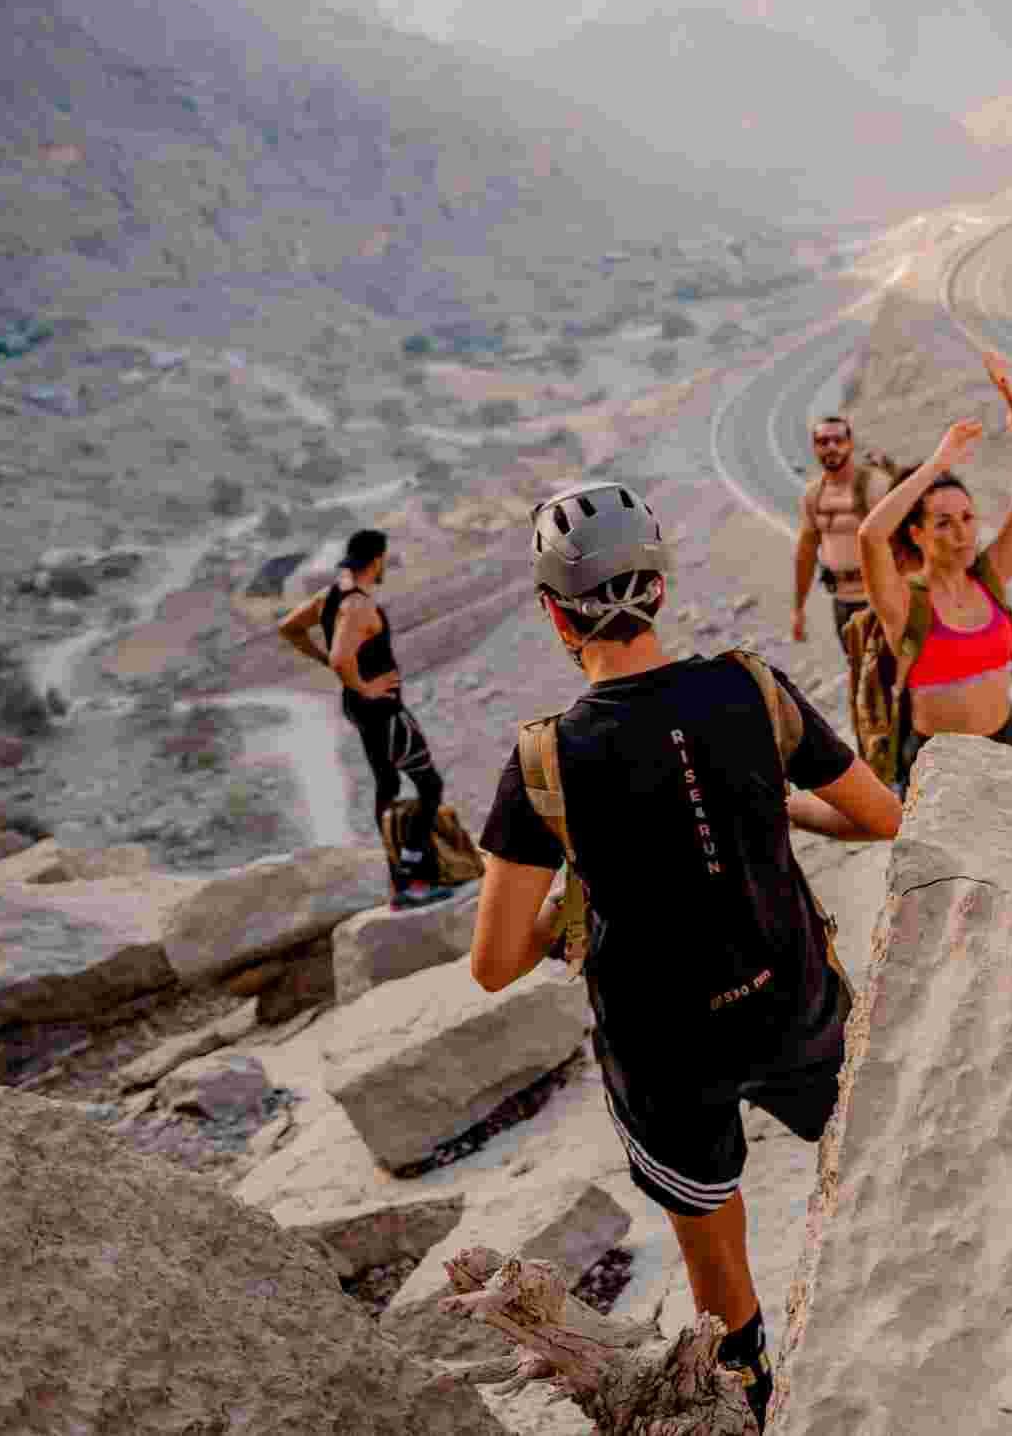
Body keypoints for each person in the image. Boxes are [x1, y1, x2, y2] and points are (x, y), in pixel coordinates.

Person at [466, 480, 900, 1427]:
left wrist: (567, 897)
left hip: (664, 1050)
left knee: (715, 1256)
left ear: (554, 616)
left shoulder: (544, 759)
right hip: (794, 1003)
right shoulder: (751, 686)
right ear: (659, 588)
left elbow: (496, 962)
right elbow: (880, 819)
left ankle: (751, 1403)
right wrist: (779, 806)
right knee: (876, 1171)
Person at [856, 351, 1012, 775]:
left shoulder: (989, 578)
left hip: (1004, 746)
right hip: (940, 770)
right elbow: (870, 535)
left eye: (967, 518)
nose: (961, 533)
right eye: (943, 523)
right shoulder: (905, 603)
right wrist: (936, 465)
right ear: (916, 534)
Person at [276, 529, 453, 908]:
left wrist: (328, 665)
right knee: (429, 786)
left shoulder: (330, 597)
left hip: (359, 709)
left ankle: (400, 882)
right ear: (375, 560)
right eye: (384, 559)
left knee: (386, 784)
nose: (385, 564)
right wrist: (362, 684)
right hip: (382, 709)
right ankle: (411, 877)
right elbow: (342, 657)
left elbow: (288, 627)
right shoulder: (358, 606)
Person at [790, 416, 893, 657]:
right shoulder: (813, 496)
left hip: (880, 601)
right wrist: (798, 609)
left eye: (838, 440)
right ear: (815, 447)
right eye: (823, 441)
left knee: (889, 679)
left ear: (850, 444)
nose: (831, 447)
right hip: (842, 602)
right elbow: (806, 553)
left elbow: (907, 540)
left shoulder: (875, 486)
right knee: (860, 679)